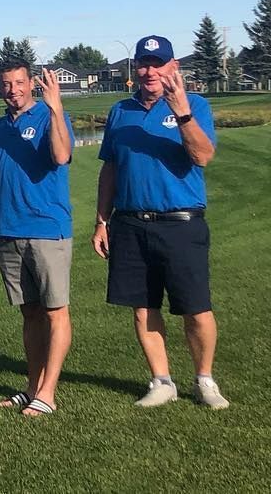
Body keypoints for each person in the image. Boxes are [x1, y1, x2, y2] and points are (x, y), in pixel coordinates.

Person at [92, 35, 227, 409]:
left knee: (196, 308)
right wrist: (102, 221)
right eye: (144, 63)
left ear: (173, 67)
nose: (150, 70)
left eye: (158, 63)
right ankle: (162, 380)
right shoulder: (121, 111)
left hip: (181, 223)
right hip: (131, 223)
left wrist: (180, 111)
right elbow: (111, 169)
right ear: (135, 68)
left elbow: (201, 156)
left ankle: (204, 380)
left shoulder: (195, 105)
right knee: (142, 307)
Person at [0, 61, 74, 417]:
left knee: (55, 311)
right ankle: (32, 386)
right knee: (30, 313)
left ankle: (48, 393)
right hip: (10, 230)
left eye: (19, 83)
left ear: (32, 84)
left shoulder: (49, 116)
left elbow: (61, 155)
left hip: (46, 229)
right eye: (6, 84)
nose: (13, 90)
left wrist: (55, 108)